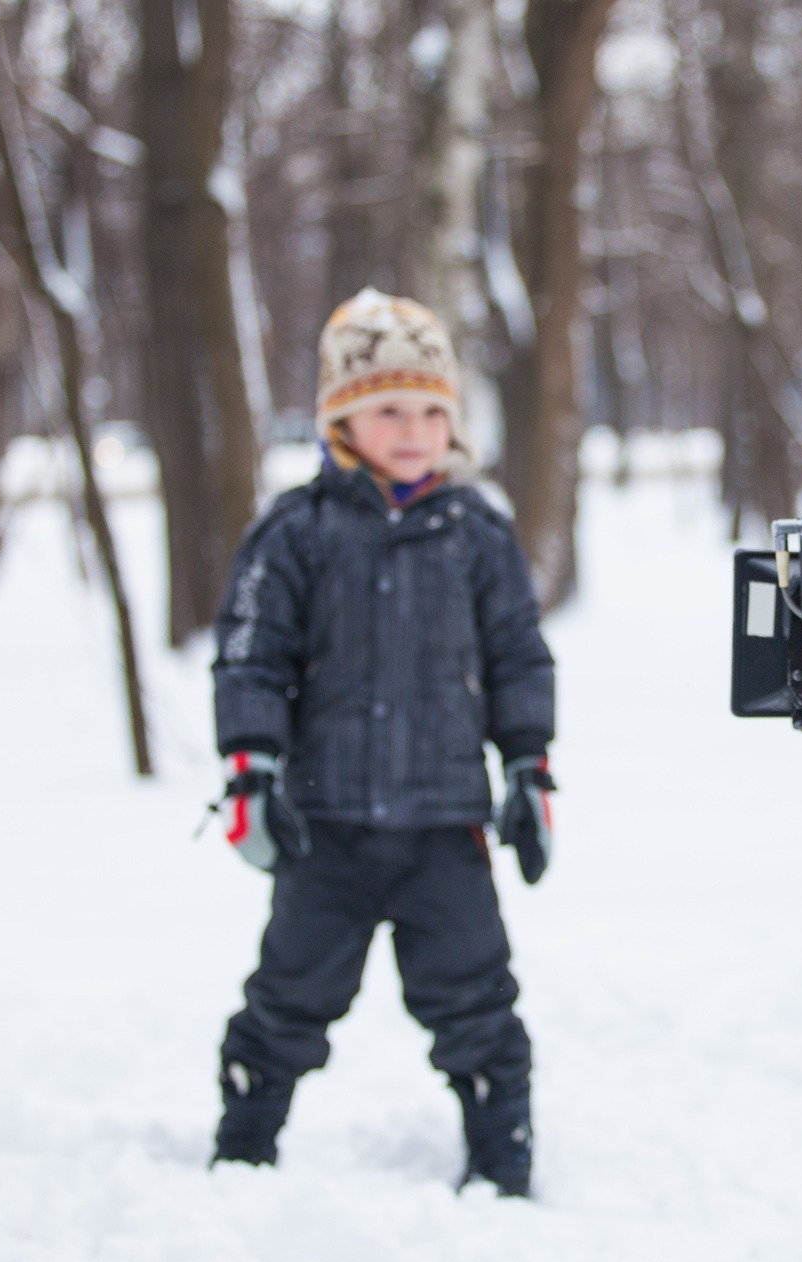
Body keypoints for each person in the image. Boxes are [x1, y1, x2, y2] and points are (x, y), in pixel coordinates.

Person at [208, 289, 556, 1197]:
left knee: (475, 997)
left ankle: (501, 1156)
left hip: (446, 824)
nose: (414, 428)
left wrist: (529, 764)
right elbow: (250, 658)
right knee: (290, 994)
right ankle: (245, 1140)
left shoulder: (478, 533)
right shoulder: (296, 532)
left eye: (433, 409)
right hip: (324, 825)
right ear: (340, 418)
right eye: (390, 408)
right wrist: (251, 767)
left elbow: (519, 654)